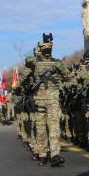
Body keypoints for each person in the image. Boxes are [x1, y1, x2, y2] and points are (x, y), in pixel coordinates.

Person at [31, 34, 70, 166]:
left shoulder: (57, 62)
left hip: (53, 100)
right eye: (45, 46)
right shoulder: (35, 63)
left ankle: (55, 154)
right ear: (40, 48)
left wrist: (61, 68)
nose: (47, 48)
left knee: (54, 128)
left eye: (49, 46)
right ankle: (42, 154)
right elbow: (26, 77)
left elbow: (68, 77)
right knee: (41, 129)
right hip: (39, 101)